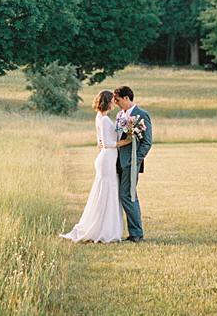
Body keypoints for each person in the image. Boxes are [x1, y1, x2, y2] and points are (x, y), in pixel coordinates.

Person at [59, 90, 129, 243]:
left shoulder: (100, 117)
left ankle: (106, 227)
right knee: (106, 193)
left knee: (106, 193)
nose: (114, 103)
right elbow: (107, 143)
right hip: (107, 159)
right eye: (112, 100)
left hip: (108, 159)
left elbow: (101, 141)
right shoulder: (103, 120)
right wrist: (124, 142)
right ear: (107, 102)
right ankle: (104, 230)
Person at [113, 85, 152, 242]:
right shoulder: (120, 115)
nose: (116, 103)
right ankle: (132, 232)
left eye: (118, 100)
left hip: (131, 163)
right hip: (117, 162)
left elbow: (147, 142)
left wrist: (135, 160)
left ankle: (136, 234)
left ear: (126, 98)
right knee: (125, 195)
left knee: (128, 195)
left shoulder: (141, 115)